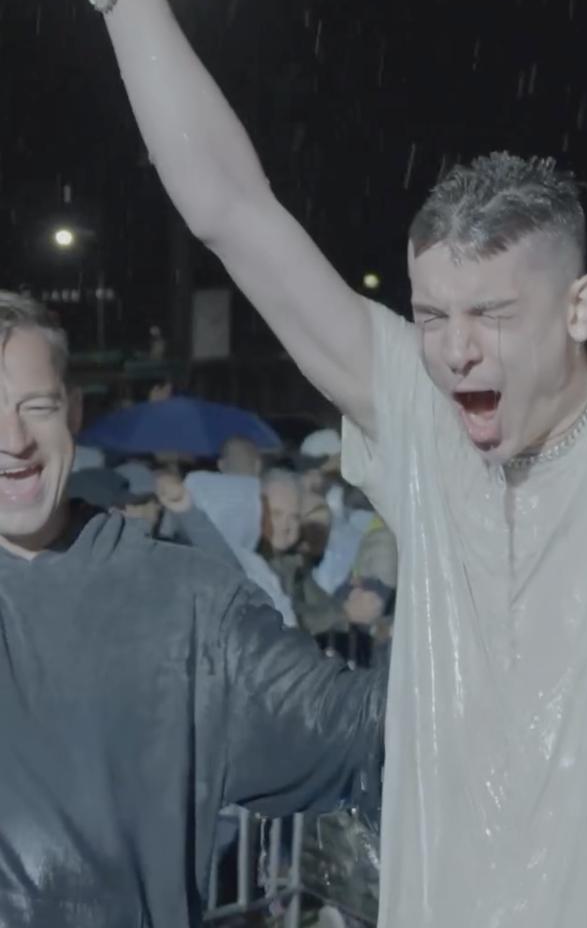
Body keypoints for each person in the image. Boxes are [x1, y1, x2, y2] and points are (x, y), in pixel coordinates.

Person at [48, 0, 587, 925]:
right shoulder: (424, 428)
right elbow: (230, 210)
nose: (454, 350)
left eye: (492, 316)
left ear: (577, 308)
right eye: (429, 315)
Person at [0, 291, 385, 928]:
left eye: (33, 406)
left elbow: (354, 729)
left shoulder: (186, 604)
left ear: (72, 412)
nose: (12, 439)